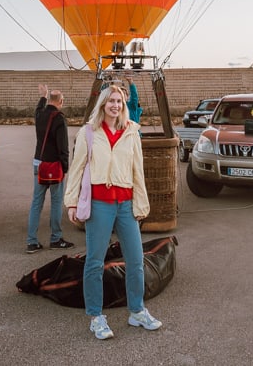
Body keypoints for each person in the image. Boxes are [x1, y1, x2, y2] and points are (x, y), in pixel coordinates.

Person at [64, 84, 162, 340]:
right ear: (103, 104)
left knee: (136, 261)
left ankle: (137, 311)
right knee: (95, 262)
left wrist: (141, 204)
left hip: (126, 204)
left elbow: (137, 171)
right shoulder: (89, 133)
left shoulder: (132, 133)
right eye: (111, 101)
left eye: (119, 101)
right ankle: (96, 316)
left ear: (123, 105)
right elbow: (76, 169)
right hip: (99, 204)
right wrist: (71, 202)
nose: (115, 105)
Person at [26, 84, 74, 254]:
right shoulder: (59, 118)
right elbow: (63, 147)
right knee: (56, 203)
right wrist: (66, 167)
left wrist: (43, 95)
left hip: (38, 163)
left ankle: (31, 242)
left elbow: (38, 107)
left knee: (36, 203)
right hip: (54, 165)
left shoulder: (40, 114)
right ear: (61, 101)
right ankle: (55, 239)